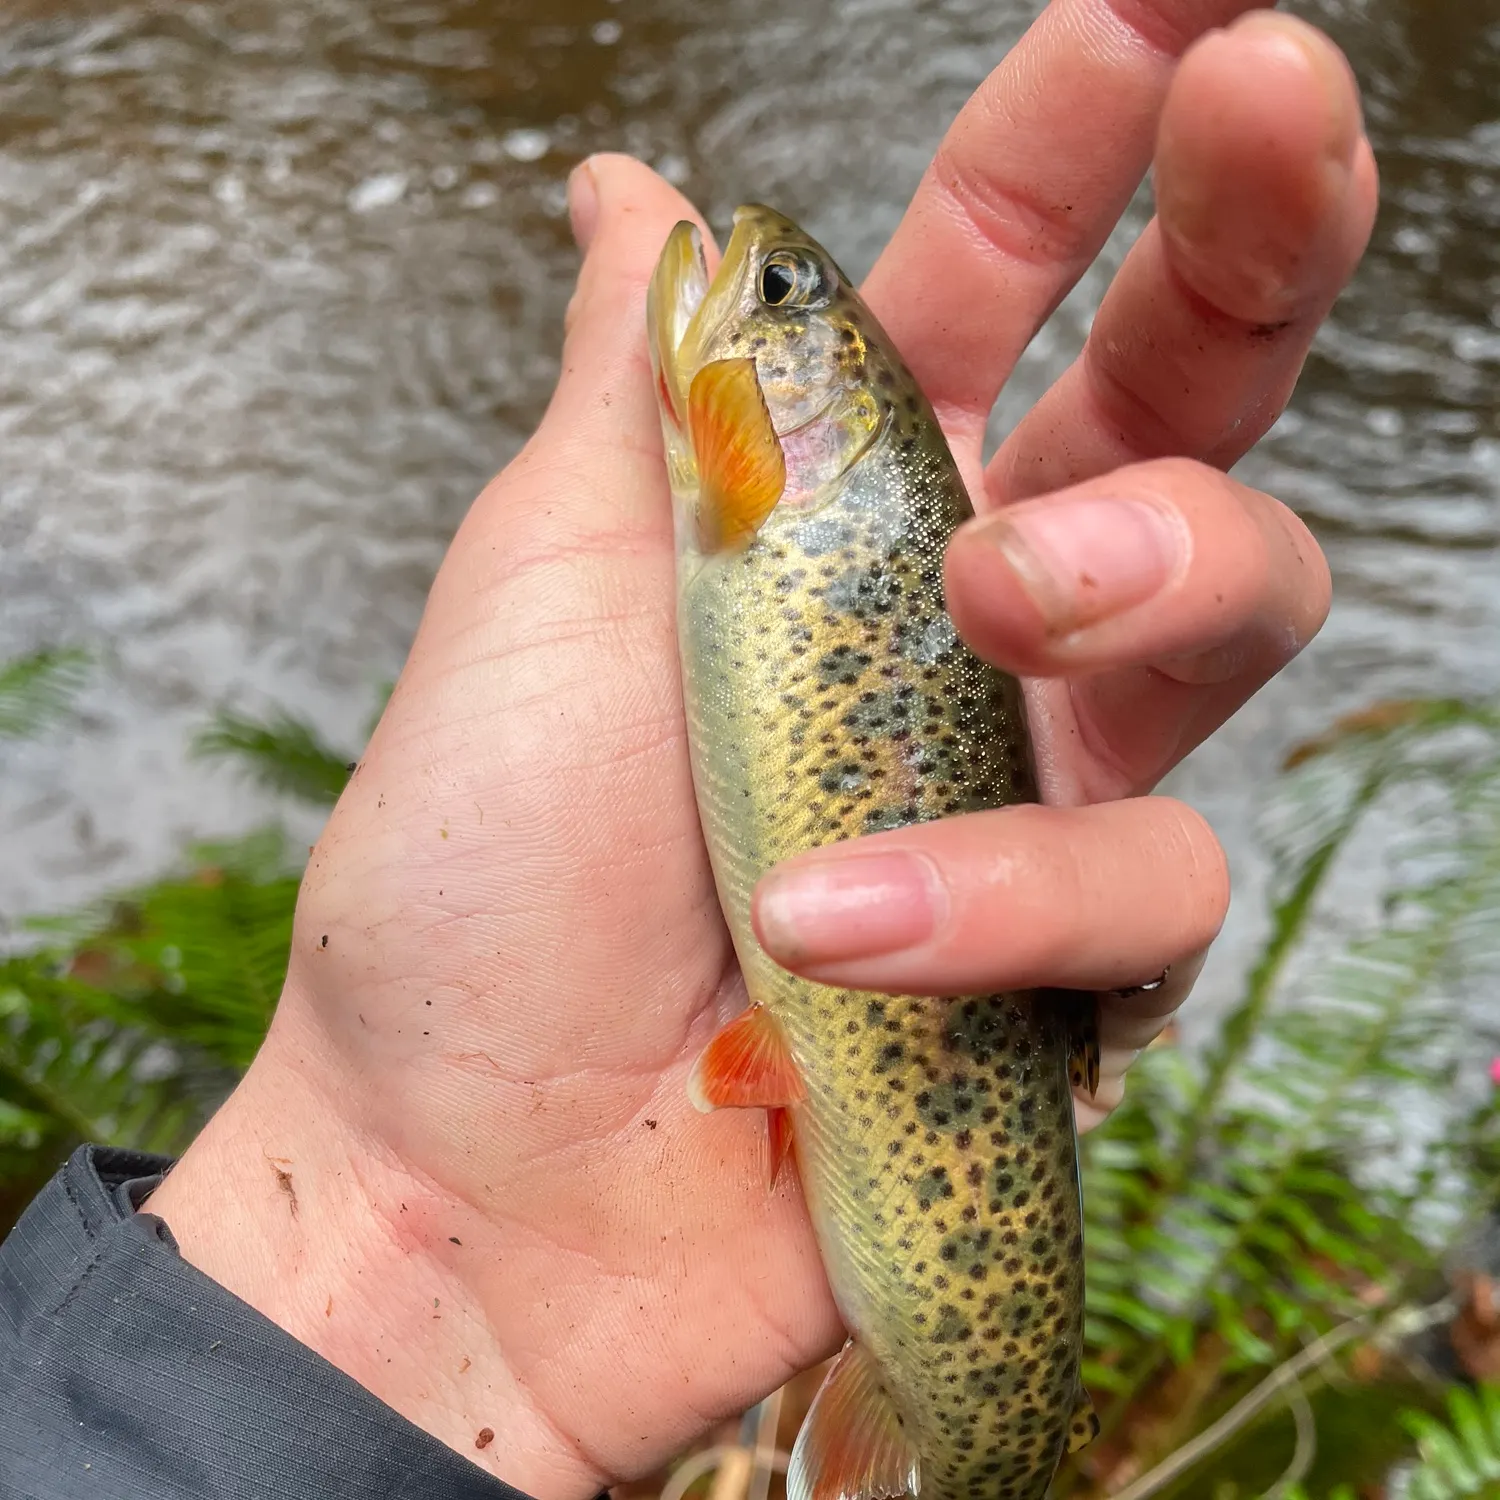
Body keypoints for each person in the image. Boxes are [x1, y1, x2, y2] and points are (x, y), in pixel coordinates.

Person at [0, 3, 1378, 1497]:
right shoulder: (735, 473)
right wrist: (386, 1211)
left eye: (771, 290)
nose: (745, 273)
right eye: (783, 285)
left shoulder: (745, 467)